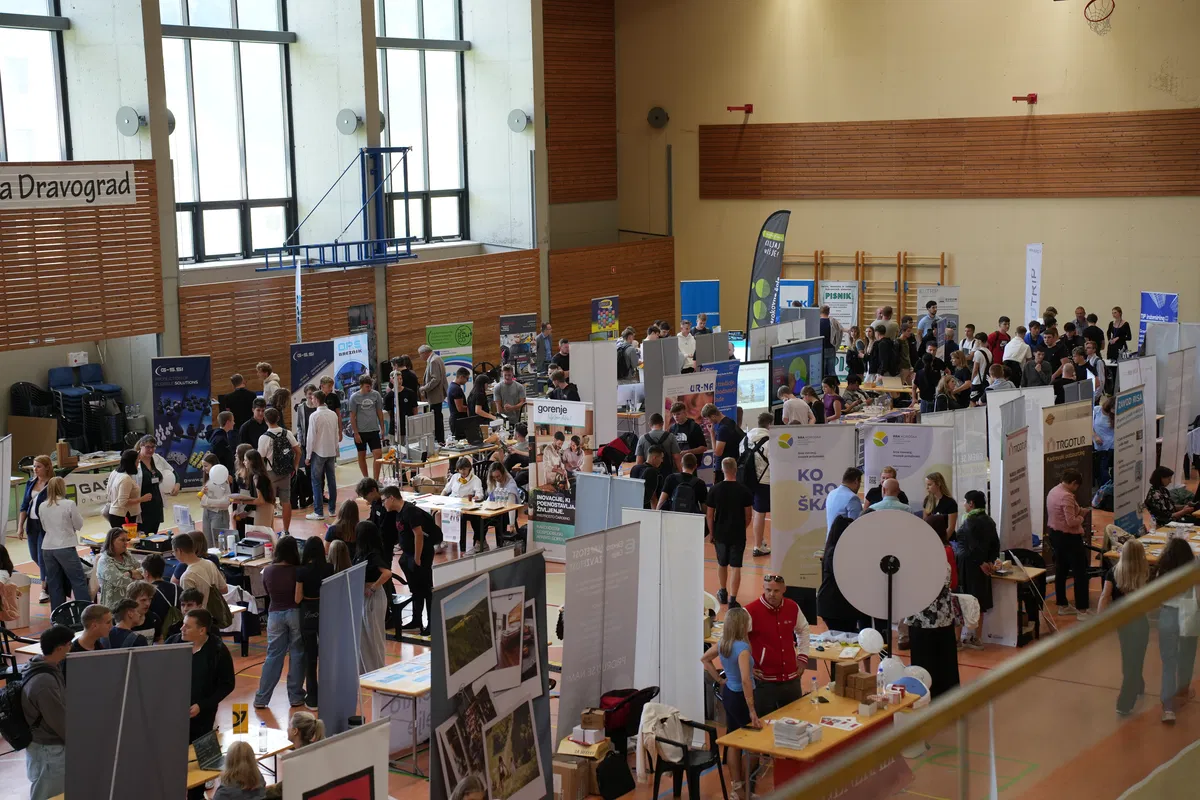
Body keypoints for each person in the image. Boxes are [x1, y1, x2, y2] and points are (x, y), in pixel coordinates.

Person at [700, 606, 759, 800]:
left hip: (728, 694)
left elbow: (705, 659)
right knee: (752, 743)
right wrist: (752, 709)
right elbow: (745, 680)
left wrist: (719, 680)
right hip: (741, 697)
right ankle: (748, 788)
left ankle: (737, 787)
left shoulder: (723, 643)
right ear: (742, 624)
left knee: (733, 741)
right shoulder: (742, 648)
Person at [166, 608, 237, 743]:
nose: (182, 629)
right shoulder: (172, 644)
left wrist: (202, 705)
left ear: (202, 630)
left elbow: (227, 684)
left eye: (187, 626)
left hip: (203, 716)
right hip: (173, 712)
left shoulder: (218, 650)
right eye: (183, 624)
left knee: (200, 754)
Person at [1097, 538, 1149, 716]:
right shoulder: (1145, 573)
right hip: (1140, 621)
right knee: (1136, 658)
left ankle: (1138, 684)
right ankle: (1125, 702)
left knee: (1128, 656)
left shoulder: (1113, 572)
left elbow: (1105, 597)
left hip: (1122, 623)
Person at [745, 574, 811, 715]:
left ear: (784, 590)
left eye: (776, 591)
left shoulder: (792, 607)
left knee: (795, 720)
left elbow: (803, 629)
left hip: (791, 678)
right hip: (764, 681)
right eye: (768, 590)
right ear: (763, 588)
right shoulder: (750, 611)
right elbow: (734, 640)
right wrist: (747, 667)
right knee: (764, 725)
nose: (771, 594)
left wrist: (803, 656)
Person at [21, 624, 72, 800]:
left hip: (45, 747)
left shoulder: (45, 667)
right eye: (69, 644)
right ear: (60, 648)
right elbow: (59, 721)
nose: (70, 648)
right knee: (48, 794)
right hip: (48, 751)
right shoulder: (45, 682)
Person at [254, 535, 304, 708]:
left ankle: (262, 698)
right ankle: (296, 696)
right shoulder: (298, 570)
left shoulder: (268, 570)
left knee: (273, 656)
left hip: (275, 614)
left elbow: (267, 591)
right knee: (297, 654)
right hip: (296, 614)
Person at [382, 487, 437, 635]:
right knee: (415, 590)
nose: (383, 504)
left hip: (420, 556)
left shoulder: (410, 511)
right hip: (408, 555)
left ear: (392, 498)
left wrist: (417, 558)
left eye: (384, 500)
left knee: (425, 590)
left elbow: (418, 535)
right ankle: (416, 620)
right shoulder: (398, 513)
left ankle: (432, 623)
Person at [905, 551, 960, 698]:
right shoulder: (943, 562)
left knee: (924, 663)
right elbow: (953, 583)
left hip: (920, 619)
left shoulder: (912, 564)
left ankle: (925, 696)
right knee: (945, 663)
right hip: (942, 618)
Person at [1156, 537, 1198, 724]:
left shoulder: (1162, 569)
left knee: (1168, 663)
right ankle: (1183, 692)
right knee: (1187, 656)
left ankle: (1168, 708)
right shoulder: (1194, 567)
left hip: (1167, 614)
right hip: (1189, 613)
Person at [955, 490, 1000, 650]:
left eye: (966, 502)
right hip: (983, 567)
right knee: (979, 600)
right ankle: (977, 638)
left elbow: (971, 544)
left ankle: (957, 640)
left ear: (971, 503)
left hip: (968, 565)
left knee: (961, 600)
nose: (965, 505)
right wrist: (990, 561)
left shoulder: (969, 520)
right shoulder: (989, 520)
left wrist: (980, 562)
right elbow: (996, 544)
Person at [37, 477, 90, 610]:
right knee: (78, 580)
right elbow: (79, 524)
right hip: (65, 546)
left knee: (54, 583)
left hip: (47, 547)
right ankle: (86, 613)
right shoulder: (69, 504)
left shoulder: (42, 505)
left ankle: (58, 616)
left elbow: (44, 527)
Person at [707, 458, 753, 606]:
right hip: (738, 533)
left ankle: (723, 591)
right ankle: (733, 599)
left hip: (720, 533)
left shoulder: (715, 489)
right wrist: (742, 527)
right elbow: (748, 515)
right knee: (736, 566)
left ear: (722, 469)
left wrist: (712, 533)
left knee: (722, 564)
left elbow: (710, 515)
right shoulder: (744, 490)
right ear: (735, 469)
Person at [1046, 468, 1090, 617]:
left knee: (1061, 570)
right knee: (1080, 573)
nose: (1076, 489)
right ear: (1073, 483)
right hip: (1070, 538)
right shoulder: (1067, 496)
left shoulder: (1053, 491)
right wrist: (1082, 516)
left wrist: (1078, 511)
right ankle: (1082, 610)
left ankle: (1062, 604)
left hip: (1055, 535)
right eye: (1076, 486)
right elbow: (1071, 522)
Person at [295, 536, 333, 710]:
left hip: (308, 613)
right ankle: (330, 693)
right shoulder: (329, 568)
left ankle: (313, 698)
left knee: (310, 658)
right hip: (325, 610)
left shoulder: (301, 571)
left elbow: (297, 598)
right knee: (327, 656)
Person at [354, 521, 393, 672]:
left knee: (374, 634)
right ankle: (365, 669)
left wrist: (373, 587)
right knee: (363, 635)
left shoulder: (373, 554)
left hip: (373, 597)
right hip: (362, 596)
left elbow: (387, 573)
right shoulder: (360, 553)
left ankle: (378, 669)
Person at [19, 454, 52, 601]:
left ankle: (44, 589)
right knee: (34, 556)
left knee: (42, 557)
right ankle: (53, 575)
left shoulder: (52, 484)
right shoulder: (31, 482)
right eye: (34, 466)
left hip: (45, 526)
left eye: (38, 466)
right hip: (32, 525)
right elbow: (24, 505)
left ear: (47, 468)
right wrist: (20, 526)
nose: (35, 469)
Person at [305, 391, 341, 521]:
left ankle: (318, 511)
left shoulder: (314, 416)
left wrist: (308, 456)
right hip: (331, 451)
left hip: (318, 452)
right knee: (332, 481)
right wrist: (336, 450)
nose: (311, 400)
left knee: (316, 481)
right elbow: (336, 434)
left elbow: (311, 438)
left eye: (312, 398)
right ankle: (332, 510)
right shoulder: (333, 414)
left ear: (316, 400)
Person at [743, 412, 772, 557]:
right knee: (760, 513)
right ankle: (758, 545)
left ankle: (759, 541)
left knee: (755, 513)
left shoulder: (744, 439)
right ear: (770, 425)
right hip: (764, 480)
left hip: (747, 480)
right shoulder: (770, 442)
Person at [174, 532, 228, 607]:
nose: (174, 555)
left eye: (174, 552)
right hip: (217, 614)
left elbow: (189, 608)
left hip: (200, 617)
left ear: (179, 551)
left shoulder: (187, 577)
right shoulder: (210, 563)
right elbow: (224, 589)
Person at [443, 456, 485, 551]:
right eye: (460, 469)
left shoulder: (475, 480)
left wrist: (474, 498)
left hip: (465, 507)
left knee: (463, 518)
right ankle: (441, 539)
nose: (462, 472)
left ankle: (464, 546)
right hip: (452, 503)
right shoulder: (455, 477)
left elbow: (480, 494)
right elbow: (446, 489)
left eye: (464, 469)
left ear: (469, 468)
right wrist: (441, 497)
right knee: (437, 513)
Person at [349, 374, 385, 480]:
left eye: (370, 386)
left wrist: (382, 428)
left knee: (378, 454)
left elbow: (379, 412)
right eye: (367, 387)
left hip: (373, 430)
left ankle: (376, 480)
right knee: (362, 455)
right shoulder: (354, 397)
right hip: (361, 432)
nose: (369, 389)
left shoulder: (376, 395)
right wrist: (356, 433)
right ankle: (366, 479)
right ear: (361, 386)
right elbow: (352, 416)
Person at [97, 527, 143, 608]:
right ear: (111, 541)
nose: (126, 543)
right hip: (114, 607)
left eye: (127, 540)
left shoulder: (127, 556)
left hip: (132, 602)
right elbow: (119, 581)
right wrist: (133, 574)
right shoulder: (104, 561)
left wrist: (129, 573)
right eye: (122, 540)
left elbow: (144, 569)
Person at [104, 449, 144, 529]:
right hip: (123, 516)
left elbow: (108, 492)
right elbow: (123, 501)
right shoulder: (125, 478)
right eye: (137, 462)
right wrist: (142, 499)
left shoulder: (115, 472)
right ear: (131, 463)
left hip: (116, 513)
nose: (138, 464)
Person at [703, 403, 744, 480]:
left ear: (713, 416)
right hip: (732, 464)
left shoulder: (723, 429)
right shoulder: (730, 421)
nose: (708, 421)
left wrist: (711, 434)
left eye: (708, 419)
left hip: (724, 467)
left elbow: (717, 452)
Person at [237, 450, 276, 530]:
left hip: (263, 508)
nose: (244, 462)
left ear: (251, 461)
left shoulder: (257, 477)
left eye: (245, 460)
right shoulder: (259, 475)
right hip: (267, 507)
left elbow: (260, 500)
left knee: (261, 535)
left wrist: (242, 501)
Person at [200, 453, 232, 549]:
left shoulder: (223, 480)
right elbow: (202, 499)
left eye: (206, 466)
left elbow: (226, 502)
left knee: (219, 545)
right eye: (203, 466)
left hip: (219, 514)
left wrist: (207, 501)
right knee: (208, 544)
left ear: (214, 466)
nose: (203, 469)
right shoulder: (208, 479)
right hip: (207, 513)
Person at [418, 344, 449, 444]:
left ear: (425, 353)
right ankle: (439, 439)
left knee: (437, 419)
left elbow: (436, 379)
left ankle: (439, 440)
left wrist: (424, 388)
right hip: (438, 394)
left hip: (435, 395)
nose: (420, 357)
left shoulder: (433, 361)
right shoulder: (437, 358)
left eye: (420, 355)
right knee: (437, 417)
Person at [144, 553, 179, 640]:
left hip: (160, 637)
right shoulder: (178, 588)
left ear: (146, 573)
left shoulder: (148, 594)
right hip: (179, 634)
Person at [825, 468, 864, 534]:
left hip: (830, 540)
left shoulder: (831, 493)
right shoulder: (852, 498)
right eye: (860, 483)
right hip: (844, 541)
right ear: (856, 481)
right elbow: (856, 526)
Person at [1093, 395, 1115, 488]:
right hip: (1099, 447)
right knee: (1101, 472)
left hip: (1111, 447)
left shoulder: (1115, 416)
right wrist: (1095, 436)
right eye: (1114, 408)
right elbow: (1089, 425)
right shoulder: (1097, 410)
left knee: (1105, 471)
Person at [210, 411, 237, 476]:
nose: (234, 423)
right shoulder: (220, 440)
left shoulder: (222, 436)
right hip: (222, 474)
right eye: (233, 420)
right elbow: (216, 459)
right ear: (228, 422)